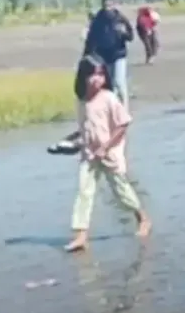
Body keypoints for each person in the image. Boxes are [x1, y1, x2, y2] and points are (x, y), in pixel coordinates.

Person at [64, 54, 152, 253]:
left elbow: (123, 123)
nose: (98, 79)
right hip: (89, 153)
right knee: (84, 192)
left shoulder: (108, 98)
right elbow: (85, 125)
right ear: (83, 77)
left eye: (101, 75)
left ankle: (142, 217)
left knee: (121, 191)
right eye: (93, 75)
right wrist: (76, 141)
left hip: (109, 153)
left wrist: (106, 147)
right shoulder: (81, 100)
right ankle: (81, 235)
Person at [83, 0, 134, 109]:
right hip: (104, 56)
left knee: (119, 82)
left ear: (114, 5)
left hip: (119, 54)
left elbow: (131, 37)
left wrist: (123, 33)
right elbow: (91, 38)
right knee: (110, 84)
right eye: (105, 5)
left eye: (110, 5)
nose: (107, 8)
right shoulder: (97, 20)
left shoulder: (120, 18)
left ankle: (125, 108)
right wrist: (86, 54)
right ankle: (114, 109)